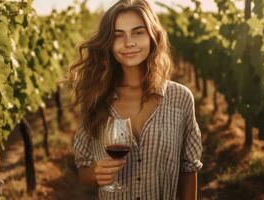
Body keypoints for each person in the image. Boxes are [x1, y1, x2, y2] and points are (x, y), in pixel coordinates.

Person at [68, 0, 203, 199]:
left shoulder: (180, 98)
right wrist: (96, 174)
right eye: (118, 35)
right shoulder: (96, 98)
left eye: (138, 32)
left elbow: (188, 168)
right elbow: (83, 170)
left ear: (152, 37)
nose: (128, 42)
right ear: (108, 43)